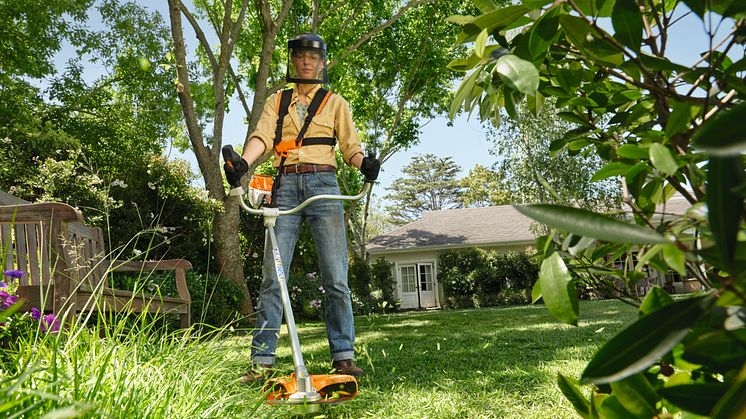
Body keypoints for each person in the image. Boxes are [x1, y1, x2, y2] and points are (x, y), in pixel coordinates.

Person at [224, 33, 380, 383]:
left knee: (336, 276)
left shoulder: (336, 103)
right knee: (271, 276)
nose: (307, 62)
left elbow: (350, 148)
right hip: (286, 185)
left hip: (324, 185)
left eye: (313, 57)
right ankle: (262, 362)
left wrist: (363, 165)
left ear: (322, 62)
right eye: (300, 56)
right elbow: (261, 139)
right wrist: (243, 164)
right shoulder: (276, 102)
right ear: (292, 60)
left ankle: (343, 357)